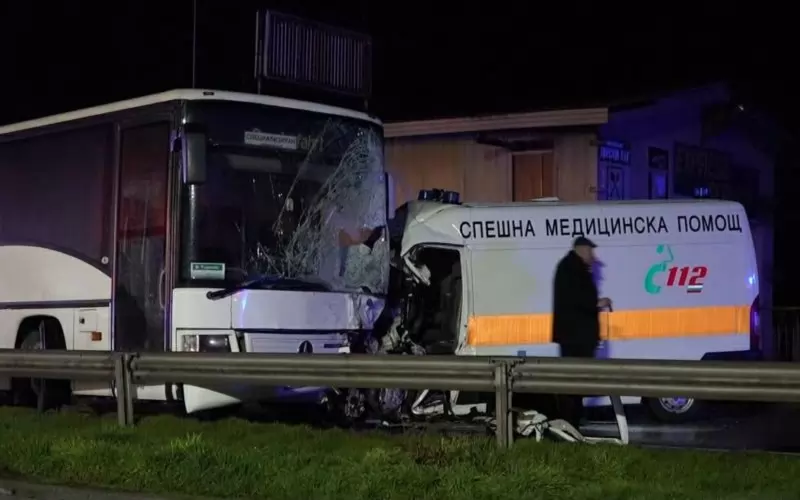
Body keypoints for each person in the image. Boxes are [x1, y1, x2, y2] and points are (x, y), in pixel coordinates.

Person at [551, 236, 612, 430]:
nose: (592, 256)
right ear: (581, 249)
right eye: (590, 251)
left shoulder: (571, 266)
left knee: (575, 383)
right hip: (575, 338)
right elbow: (578, 299)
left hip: (575, 337)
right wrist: (598, 303)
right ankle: (570, 423)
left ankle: (572, 421)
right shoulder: (571, 268)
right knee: (573, 382)